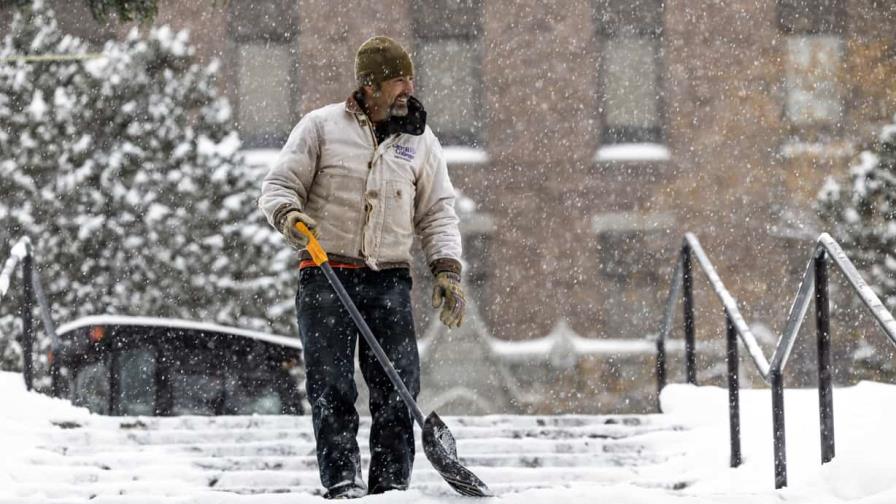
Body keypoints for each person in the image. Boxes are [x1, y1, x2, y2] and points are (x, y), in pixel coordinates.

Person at [258, 36, 466, 499]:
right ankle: (342, 482)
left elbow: (437, 211)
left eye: (410, 80)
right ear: (369, 87)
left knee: (397, 385)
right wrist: (290, 216)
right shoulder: (320, 128)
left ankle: (391, 485)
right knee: (331, 386)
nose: (406, 90)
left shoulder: (420, 142)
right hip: (326, 272)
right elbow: (277, 186)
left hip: (389, 279)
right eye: (397, 82)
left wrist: (446, 269)